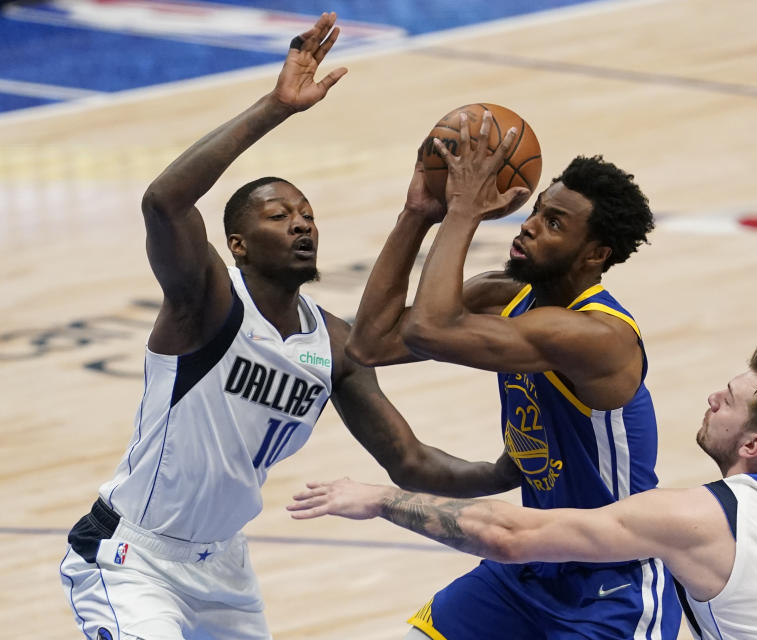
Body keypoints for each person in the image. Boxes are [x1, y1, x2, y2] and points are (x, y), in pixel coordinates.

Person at [58, 15, 520, 640]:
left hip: (222, 569)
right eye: (280, 216)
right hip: (133, 559)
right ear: (239, 245)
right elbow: (162, 202)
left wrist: (508, 469)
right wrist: (277, 107)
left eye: (306, 213)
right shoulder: (207, 304)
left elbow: (410, 461)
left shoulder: (333, 345)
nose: (302, 223)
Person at [290, 340, 757, 639]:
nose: (712, 397)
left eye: (729, 401)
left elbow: (509, 536)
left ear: (754, 445)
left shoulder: (698, 516)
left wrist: (381, 500)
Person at [339, 112, 682, 638]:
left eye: (554, 224)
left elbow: (430, 328)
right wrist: (417, 213)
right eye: (538, 211)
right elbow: (370, 343)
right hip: (530, 561)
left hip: (611, 581)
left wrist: (464, 211)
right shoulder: (505, 295)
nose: (528, 225)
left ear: (595, 254)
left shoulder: (599, 338)